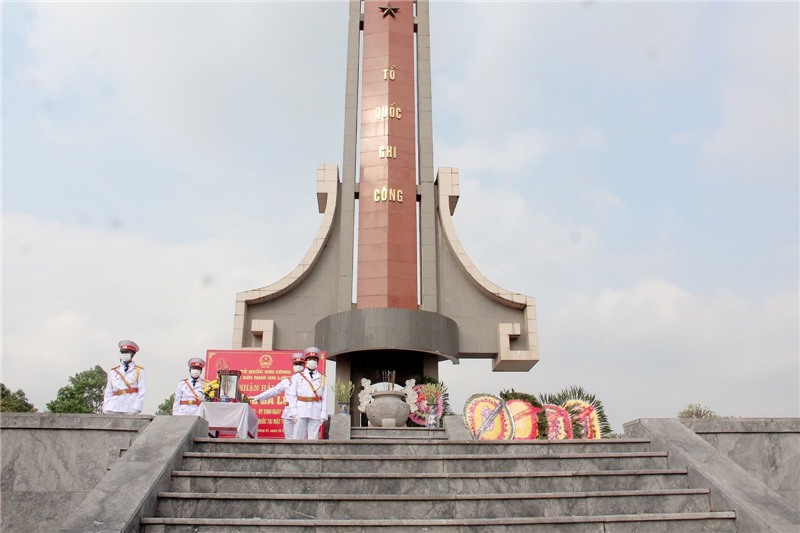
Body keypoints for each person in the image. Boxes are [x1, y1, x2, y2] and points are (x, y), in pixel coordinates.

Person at [250, 352, 304, 438]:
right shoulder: (286, 381)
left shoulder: (308, 382)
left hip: (301, 411)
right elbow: (273, 391)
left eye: (300, 364)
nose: (298, 366)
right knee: (289, 438)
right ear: (293, 366)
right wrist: (259, 396)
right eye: (296, 364)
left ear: (304, 366)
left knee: (300, 437)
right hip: (288, 411)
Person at [287, 346, 327, 440]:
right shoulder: (298, 376)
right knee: (298, 436)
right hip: (301, 408)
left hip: (315, 408)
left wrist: (323, 413)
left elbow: (324, 397)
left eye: (314, 359)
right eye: (309, 359)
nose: (312, 361)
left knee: (313, 436)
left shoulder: (322, 377)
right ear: (306, 361)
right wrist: (293, 411)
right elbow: (292, 395)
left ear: (317, 362)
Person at [102, 340, 147, 414]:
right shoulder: (114, 371)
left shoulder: (139, 371)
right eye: (122, 352)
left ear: (132, 354)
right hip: (113, 406)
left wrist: (137, 407)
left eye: (126, 352)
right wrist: (105, 407)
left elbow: (142, 391)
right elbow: (108, 391)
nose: (124, 354)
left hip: (130, 407)